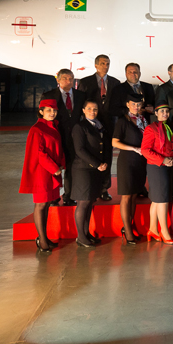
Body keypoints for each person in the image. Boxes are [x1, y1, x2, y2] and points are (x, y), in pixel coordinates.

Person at [21, 99, 65, 252]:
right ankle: (42, 240)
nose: (52, 113)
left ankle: (44, 237)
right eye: (48, 110)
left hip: (52, 171)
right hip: (41, 172)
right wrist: (55, 168)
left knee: (47, 205)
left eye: (54, 111)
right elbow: (39, 154)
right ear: (41, 111)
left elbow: (59, 148)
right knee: (40, 205)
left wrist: (61, 164)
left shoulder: (54, 126)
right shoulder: (37, 129)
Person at [78, 54, 120, 201]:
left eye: (107, 63)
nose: (105, 66)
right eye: (102, 63)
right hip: (89, 126)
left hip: (108, 126)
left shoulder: (115, 82)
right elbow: (80, 104)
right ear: (96, 65)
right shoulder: (85, 82)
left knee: (107, 156)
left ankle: (104, 189)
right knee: (91, 155)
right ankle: (91, 187)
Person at [42, 68, 85, 206]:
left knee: (72, 167)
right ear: (58, 80)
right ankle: (54, 196)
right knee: (55, 167)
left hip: (74, 138)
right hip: (56, 137)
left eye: (71, 78)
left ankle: (69, 196)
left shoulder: (81, 95)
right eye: (65, 78)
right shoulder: (49, 95)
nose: (69, 81)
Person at [71, 100, 107, 247]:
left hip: (94, 169)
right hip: (83, 169)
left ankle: (86, 233)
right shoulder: (80, 127)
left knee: (90, 201)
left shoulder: (99, 125)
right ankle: (80, 236)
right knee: (83, 202)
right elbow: (79, 150)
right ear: (83, 110)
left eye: (95, 109)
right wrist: (98, 164)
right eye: (90, 109)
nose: (93, 111)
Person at [111, 93, 147, 243]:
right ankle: (127, 229)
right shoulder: (122, 121)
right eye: (133, 104)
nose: (136, 107)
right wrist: (133, 148)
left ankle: (130, 226)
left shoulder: (144, 120)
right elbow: (115, 142)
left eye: (138, 104)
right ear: (127, 105)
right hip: (127, 160)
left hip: (140, 161)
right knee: (126, 196)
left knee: (133, 196)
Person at [142, 104, 173, 244]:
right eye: (162, 111)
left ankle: (152, 229)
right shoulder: (151, 128)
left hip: (167, 166)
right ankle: (164, 231)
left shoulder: (168, 127)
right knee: (162, 199)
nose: (165, 113)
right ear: (156, 113)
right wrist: (163, 159)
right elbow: (145, 150)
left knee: (157, 200)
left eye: (167, 111)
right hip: (156, 167)